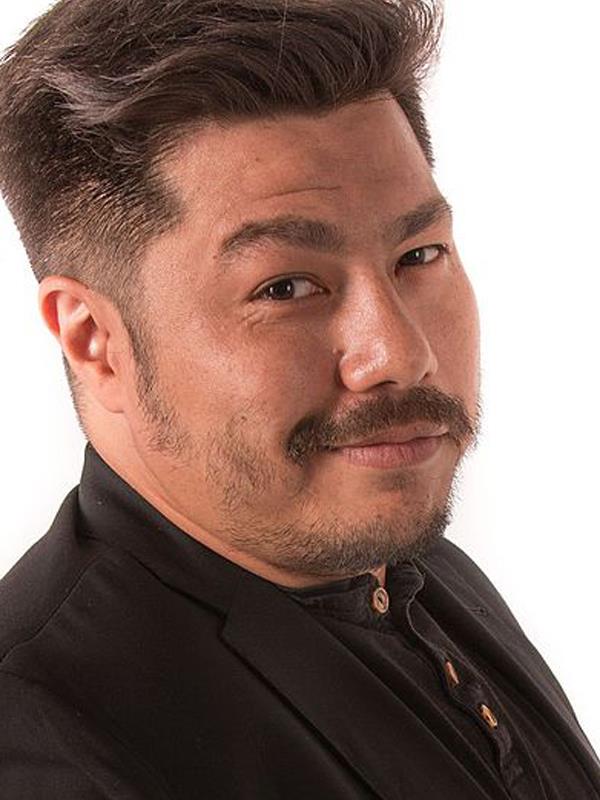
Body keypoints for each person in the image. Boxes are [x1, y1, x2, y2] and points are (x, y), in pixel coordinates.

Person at [0, 0, 598, 797]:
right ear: (93, 339)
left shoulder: (415, 572)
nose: (399, 355)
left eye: (418, 255)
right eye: (285, 287)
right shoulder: (46, 750)